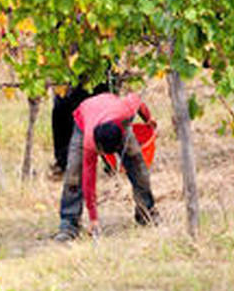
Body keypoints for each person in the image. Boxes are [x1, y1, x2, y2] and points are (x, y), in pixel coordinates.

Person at [55, 91, 158, 241]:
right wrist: (93, 219)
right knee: (74, 174)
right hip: (85, 118)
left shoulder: (126, 113)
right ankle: (69, 224)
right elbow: (89, 179)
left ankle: (147, 213)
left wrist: (148, 118)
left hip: (114, 114)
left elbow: (137, 99)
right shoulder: (90, 140)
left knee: (138, 168)